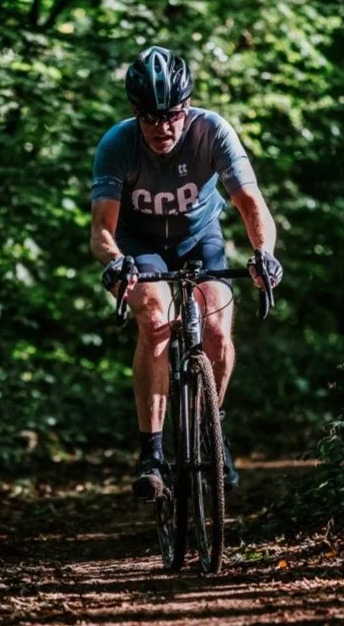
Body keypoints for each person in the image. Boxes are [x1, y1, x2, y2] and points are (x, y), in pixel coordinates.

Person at [89, 46, 282, 499]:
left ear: (188, 106)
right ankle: (152, 452)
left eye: (173, 114)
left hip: (200, 239)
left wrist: (264, 253)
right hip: (142, 246)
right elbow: (101, 230)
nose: (163, 127)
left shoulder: (212, 131)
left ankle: (213, 427)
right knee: (155, 320)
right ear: (135, 112)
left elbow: (251, 204)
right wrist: (115, 261)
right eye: (151, 117)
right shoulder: (117, 144)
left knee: (216, 328)